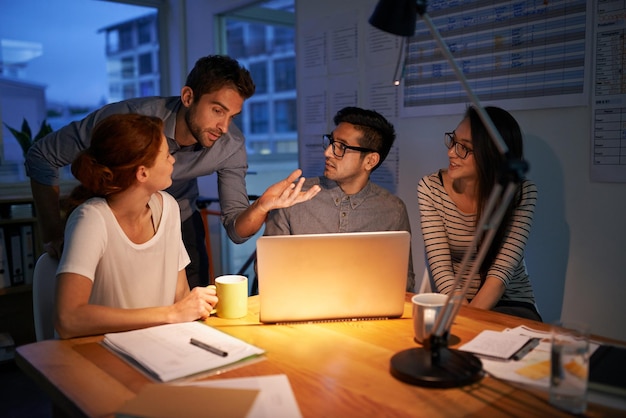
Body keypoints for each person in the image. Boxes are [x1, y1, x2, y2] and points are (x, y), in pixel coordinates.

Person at [25, 55, 320, 289]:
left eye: (232, 115)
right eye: (217, 110)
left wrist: (262, 206)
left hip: (178, 220)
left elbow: (236, 229)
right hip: (116, 218)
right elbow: (41, 156)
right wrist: (52, 233)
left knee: (193, 308)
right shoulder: (128, 120)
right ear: (188, 97)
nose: (225, 127)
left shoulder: (230, 146)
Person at [55, 114, 217, 339]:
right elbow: (68, 319)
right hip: (100, 355)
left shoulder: (168, 208)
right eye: (166, 155)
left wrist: (192, 308)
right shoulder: (91, 219)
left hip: (157, 347)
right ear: (142, 172)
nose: (173, 160)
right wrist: (171, 314)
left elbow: (180, 295)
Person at [264, 106, 415, 291]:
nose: (327, 152)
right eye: (331, 142)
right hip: (302, 309)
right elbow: (267, 271)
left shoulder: (393, 210)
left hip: (366, 313)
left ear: (370, 161)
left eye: (341, 147)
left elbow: (404, 282)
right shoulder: (294, 196)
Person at [417, 105, 541, 321]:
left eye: (464, 148)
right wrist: (464, 316)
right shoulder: (431, 188)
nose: (451, 152)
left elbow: (500, 273)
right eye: (453, 141)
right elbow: (441, 268)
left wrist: (469, 320)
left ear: (490, 155)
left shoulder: (520, 192)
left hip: (509, 302)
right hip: (455, 302)